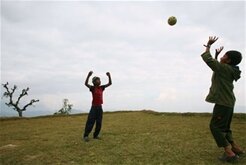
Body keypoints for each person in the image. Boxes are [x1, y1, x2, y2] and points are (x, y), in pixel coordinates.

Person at [201, 36, 244, 163]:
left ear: (229, 60)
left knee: (215, 127)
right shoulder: (229, 69)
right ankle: (236, 148)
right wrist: (217, 55)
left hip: (223, 103)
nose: (223, 56)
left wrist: (208, 45)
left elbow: (208, 60)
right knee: (225, 128)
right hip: (228, 102)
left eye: (225, 55)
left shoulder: (224, 68)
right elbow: (216, 67)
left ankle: (229, 153)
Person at [83, 71, 112, 142]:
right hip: (93, 108)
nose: (99, 81)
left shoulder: (101, 88)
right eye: (97, 80)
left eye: (99, 80)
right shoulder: (93, 88)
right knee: (90, 122)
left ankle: (95, 135)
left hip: (99, 108)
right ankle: (86, 136)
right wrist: (88, 75)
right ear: (94, 82)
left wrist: (109, 76)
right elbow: (86, 84)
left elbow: (110, 83)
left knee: (99, 122)